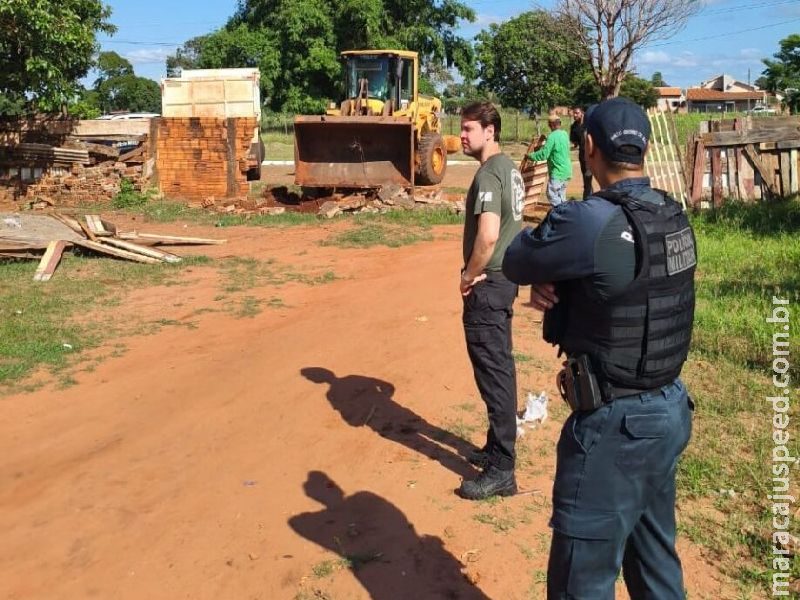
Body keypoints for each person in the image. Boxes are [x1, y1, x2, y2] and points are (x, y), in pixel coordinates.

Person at [503, 97, 697, 599]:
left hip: (616, 425)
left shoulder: (590, 220)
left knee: (580, 581)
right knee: (656, 565)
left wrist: (553, 277)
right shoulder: (673, 215)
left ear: (587, 146)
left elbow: (516, 259)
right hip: (669, 409)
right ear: (645, 149)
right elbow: (631, 286)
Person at [457, 101, 526, 500]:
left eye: (469, 129)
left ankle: (502, 467)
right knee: (501, 364)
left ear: (490, 131)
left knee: (493, 372)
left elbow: (487, 235)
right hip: (506, 279)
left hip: (488, 283)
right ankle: (496, 445)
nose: (462, 135)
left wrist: (468, 275)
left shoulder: (488, 175)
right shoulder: (510, 169)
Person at [528, 112, 572, 206]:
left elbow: (544, 154)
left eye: (549, 124)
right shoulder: (564, 134)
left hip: (557, 171)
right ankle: (565, 215)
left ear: (551, 124)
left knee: (551, 194)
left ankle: (560, 213)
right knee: (561, 195)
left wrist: (531, 156)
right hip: (566, 171)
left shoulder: (552, 136)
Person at [569, 107, 593, 199]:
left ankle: (586, 199)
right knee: (587, 180)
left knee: (588, 179)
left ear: (582, 113)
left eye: (577, 113)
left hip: (591, 156)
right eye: (574, 113)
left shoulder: (589, 125)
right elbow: (575, 142)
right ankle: (590, 198)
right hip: (582, 156)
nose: (574, 115)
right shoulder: (574, 127)